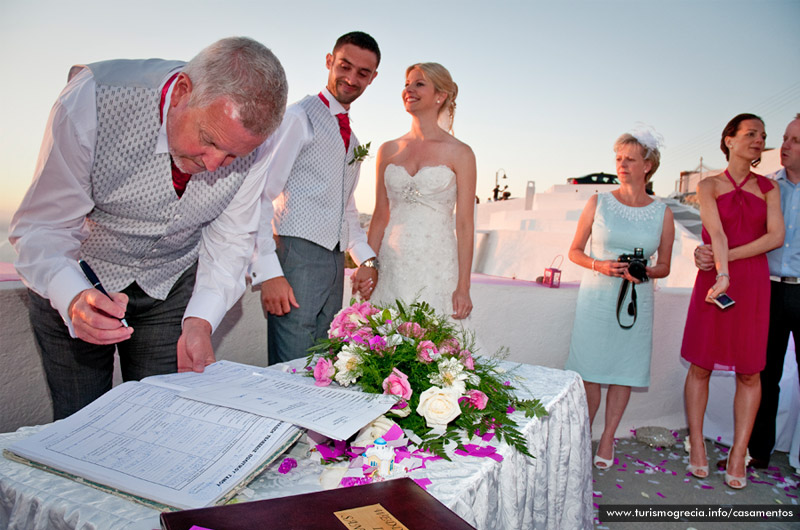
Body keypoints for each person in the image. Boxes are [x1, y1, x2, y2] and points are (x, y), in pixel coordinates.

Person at [9, 37, 288, 419]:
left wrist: (200, 320)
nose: (213, 165)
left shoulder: (257, 143)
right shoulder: (92, 98)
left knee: (163, 419)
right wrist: (73, 296)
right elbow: (43, 226)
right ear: (182, 93)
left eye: (232, 156)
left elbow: (231, 238)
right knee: (81, 423)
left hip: (169, 288)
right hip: (81, 279)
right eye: (208, 141)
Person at [249, 32, 380, 365]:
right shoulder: (298, 117)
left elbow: (346, 206)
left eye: (363, 73)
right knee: (291, 367)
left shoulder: (352, 137)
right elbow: (261, 195)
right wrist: (268, 272)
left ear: (372, 78)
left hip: (335, 262)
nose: (351, 78)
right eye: (344, 66)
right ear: (329, 62)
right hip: (295, 255)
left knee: (322, 368)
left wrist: (364, 257)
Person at [680, 113, 784, 489]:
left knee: (751, 370)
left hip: (753, 283)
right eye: (751, 134)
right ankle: (696, 444)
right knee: (701, 364)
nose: (759, 140)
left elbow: (775, 237)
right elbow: (717, 234)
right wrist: (721, 272)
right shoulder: (707, 185)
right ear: (729, 140)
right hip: (714, 279)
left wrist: (727, 264)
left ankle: (739, 452)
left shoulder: (770, 189)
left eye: (763, 136)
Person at [563, 127, 674, 469]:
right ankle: (584, 435)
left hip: (636, 303)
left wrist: (645, 272)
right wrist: (602, 265)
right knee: (591, 372)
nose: (622, 165)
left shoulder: (663, 213)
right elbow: (574, 252)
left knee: (624, 372)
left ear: (648, 165)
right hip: (596, 299)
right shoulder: (598, 201)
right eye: (618, 159)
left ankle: (608, 437)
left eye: (630, 159)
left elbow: (665, 266)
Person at [357, 62, 476, 319]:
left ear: (440, 96)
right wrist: (368, 263)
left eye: (419, 84)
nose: (408, 89)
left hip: (437, 265)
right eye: (406, 84)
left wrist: (463, 286)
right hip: (391, 263)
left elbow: (465, 223)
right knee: (381, 342)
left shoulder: (461, 153)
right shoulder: (388, 150)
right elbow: (380, 215)